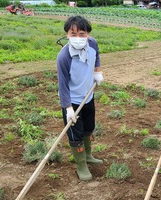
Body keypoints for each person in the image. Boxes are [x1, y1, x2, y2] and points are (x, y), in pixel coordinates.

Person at [56, 16, 104, 181]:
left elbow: (96, 55)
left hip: (88, 96)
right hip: (72, 101)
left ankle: (88, 155)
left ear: (88, 35)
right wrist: (68, 108)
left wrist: (97, 71)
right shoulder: (63, 57)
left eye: (82, 34)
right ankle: (81, 165)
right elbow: (62, 85)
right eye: (73, 34)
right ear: (67, 34)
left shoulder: (93, 44)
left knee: (88, 128)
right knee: (75, 135)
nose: (78, 38)